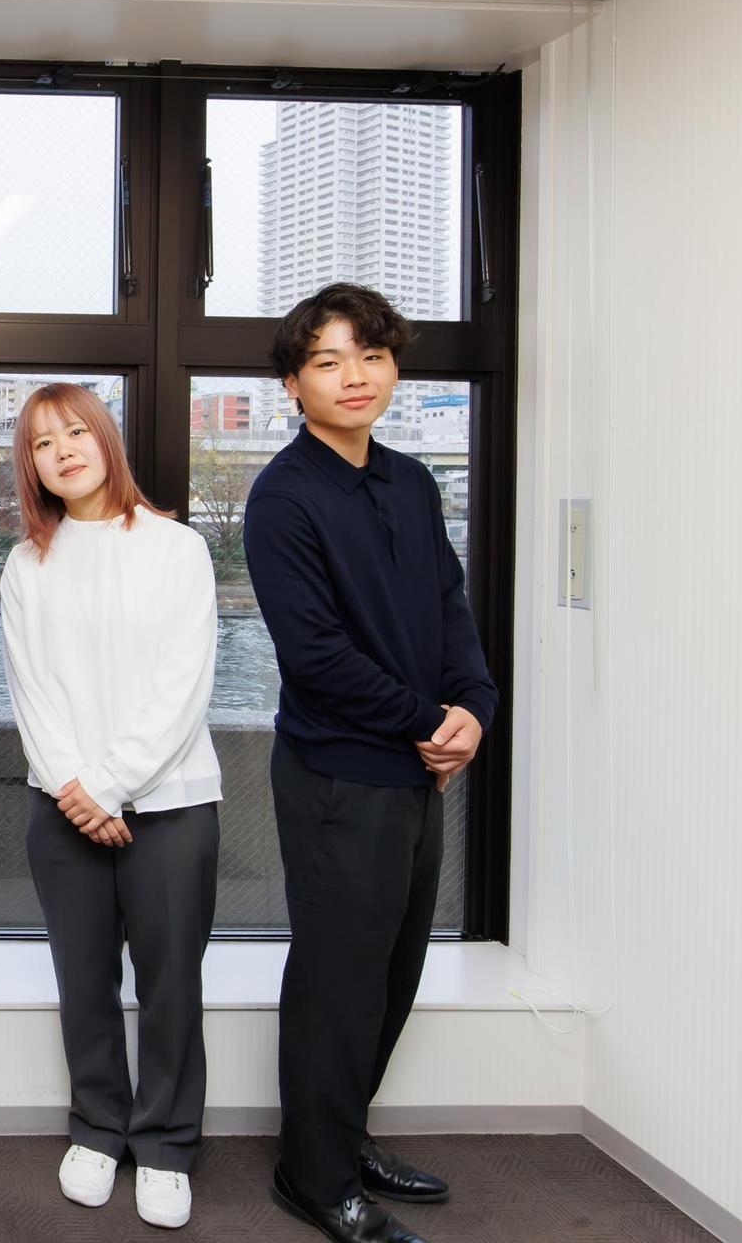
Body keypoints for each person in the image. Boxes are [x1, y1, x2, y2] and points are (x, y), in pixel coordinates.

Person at [245, 284, 496, 1243]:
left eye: (372, 355)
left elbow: (448, 610)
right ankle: (313, 1176)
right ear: (293, 383)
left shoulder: (410, 482)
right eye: (328, 361)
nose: (355, 376)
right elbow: (315, 656)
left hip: (416, 768)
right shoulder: (283, 496)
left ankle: (342, 1138)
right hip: (339, 776)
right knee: (338, 980)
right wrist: (428, 721)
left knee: (393, 971)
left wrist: (473, 708)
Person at [0, 382, 223, 1232]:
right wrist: (77, 788)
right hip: (63, 809)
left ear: (106, 438)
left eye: (75, 432)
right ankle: (98, 1128)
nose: (63, 451)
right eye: (43, 442)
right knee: (84, 979)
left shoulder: (177, 548)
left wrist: (110, 784)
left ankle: (165, 1143)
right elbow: (31, 692)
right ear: (32, 466)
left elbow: (184, 685)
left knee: (171, 984)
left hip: (171, 804)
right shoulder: (27, 564)